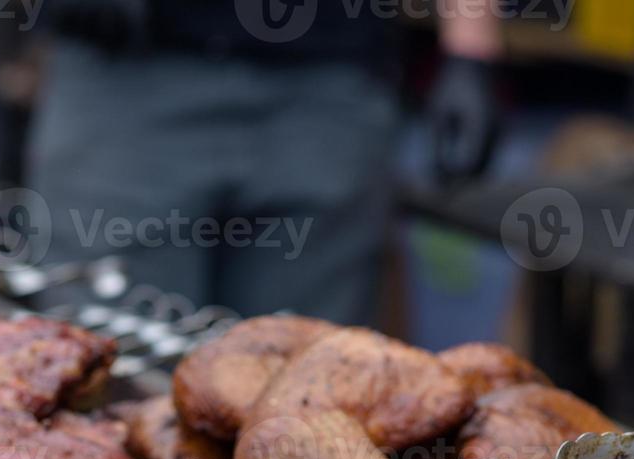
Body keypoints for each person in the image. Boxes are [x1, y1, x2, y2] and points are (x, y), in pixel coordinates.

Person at [26, 0, 504, 324]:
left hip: (329, 89)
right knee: (114, 387)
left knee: (307, 400)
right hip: (126, 79)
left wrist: (470, 49)